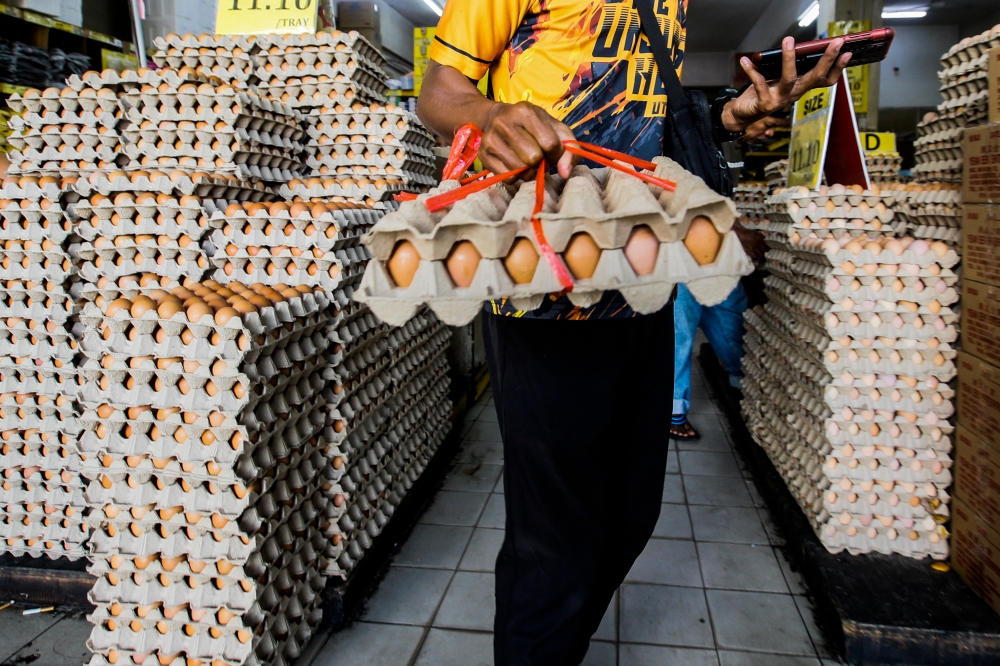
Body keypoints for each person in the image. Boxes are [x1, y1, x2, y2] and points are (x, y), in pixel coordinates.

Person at [417, 3, 849, 664]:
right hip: (545, 291)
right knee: (554, 545)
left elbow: (642, 134)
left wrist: (730, 118)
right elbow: (440, 92)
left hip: (641, 290)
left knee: (631, 513)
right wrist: (490, 116)